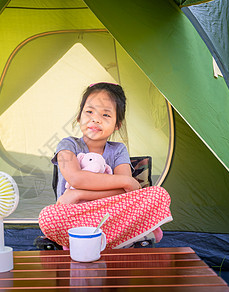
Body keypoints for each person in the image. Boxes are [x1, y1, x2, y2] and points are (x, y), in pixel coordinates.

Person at [38, 82, 172, 249]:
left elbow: (125, 193)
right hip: (74, 216)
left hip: (109, 215)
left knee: (159, 194)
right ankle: (121, 238)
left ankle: (94, 241)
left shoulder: (118, 150)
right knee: (48, 217)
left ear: (117, 124)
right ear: (79, 117)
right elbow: (76, 178)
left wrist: (77, 194)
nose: (96, 119)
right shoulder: (68, 145)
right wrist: (124, 182)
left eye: (106, 115)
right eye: (89, 112)